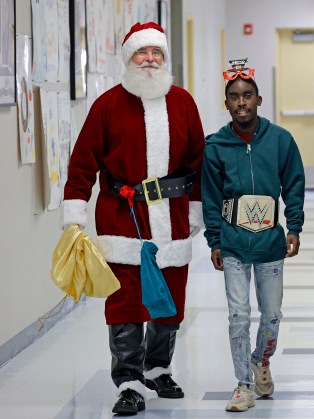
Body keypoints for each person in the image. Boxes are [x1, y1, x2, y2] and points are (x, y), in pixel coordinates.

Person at [63, 22, 205, 415]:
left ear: (164, 59)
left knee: (170, 299)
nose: (150, 60)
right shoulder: (107, 105)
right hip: (122, 218)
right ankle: (128, 380)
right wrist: (74, 211)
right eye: (142, 53)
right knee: (125, 300)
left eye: (156, 53)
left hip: (173, 218)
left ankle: (159, 368)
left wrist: (195, 206)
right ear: (128, 59)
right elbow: (82, 163)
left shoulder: (183, 102)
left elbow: (197, 160)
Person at [201, 58, 305, 412]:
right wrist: (214, 239)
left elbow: (293, 184)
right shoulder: (215, 146)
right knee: (238, 315)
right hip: (232, 242)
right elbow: (211, 198)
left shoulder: (280, 140)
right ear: (226, 102)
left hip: (270, 242)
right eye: (234, 96)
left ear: (259, 100)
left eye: (248, 95)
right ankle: (243, 383)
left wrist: (295, 226)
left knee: (272, 314)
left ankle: (261, 359)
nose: (241, 102)